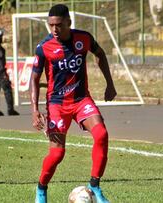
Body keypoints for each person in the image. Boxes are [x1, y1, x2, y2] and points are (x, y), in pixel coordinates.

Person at [30, 4, 117, 203]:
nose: (54, 30)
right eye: (51, 25)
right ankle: (41, 189)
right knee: (57, 153)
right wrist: (34, 109)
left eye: (58, 25)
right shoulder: (44, 47)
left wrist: (110, 84)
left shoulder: (84, 38)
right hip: (57, 104)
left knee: (102, 134)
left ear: (69, 22)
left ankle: (95, 187)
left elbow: (100, 54)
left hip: (80, 99)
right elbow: (34, 79)